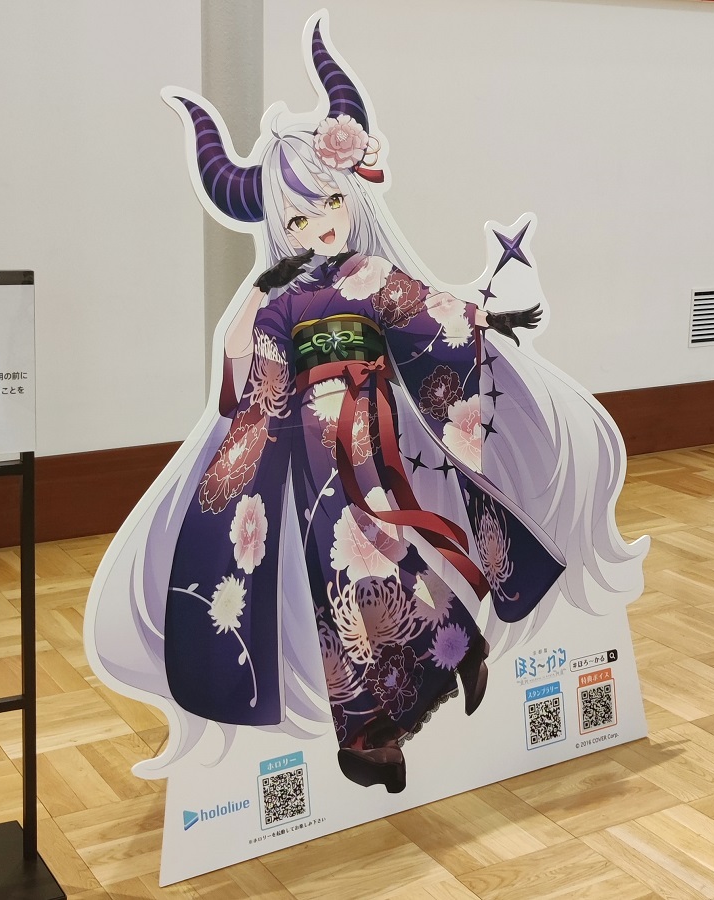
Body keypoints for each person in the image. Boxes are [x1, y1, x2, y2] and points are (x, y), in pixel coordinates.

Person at [86, 15, 646, 794]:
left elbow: (434, 320)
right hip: (311, 456)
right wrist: (247, 343)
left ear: (348, 196)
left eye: (326, 206)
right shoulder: (279, 300)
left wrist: (487, 319)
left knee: (391, 548)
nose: (317, 228)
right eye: (297, 220)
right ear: (279, 228)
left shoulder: (368, 277)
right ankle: (390, 714)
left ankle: (429, 674)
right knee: (343, 581)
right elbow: (258, 391)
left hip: (377, 438)